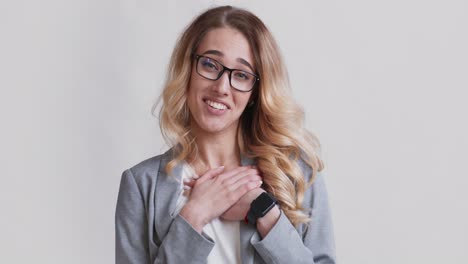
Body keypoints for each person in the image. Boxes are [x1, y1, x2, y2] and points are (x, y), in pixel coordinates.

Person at [115, 5, 336, 264]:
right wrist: (195, 214)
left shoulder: (295, 173)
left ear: (255, 91)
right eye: (210, 64)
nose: (221, 87)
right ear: (188, 69)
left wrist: (263, 210)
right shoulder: (142, 185)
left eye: (241, 75)